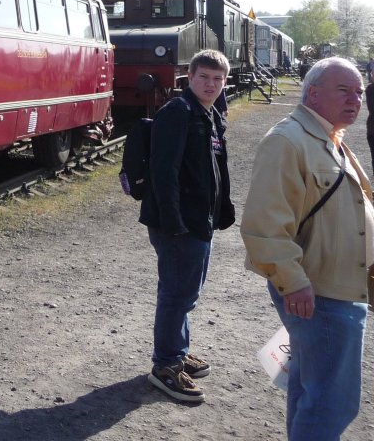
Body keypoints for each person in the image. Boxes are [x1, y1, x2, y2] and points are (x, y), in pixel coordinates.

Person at [240, 57, 372, 441]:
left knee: (310, 388)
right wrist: (292, 281)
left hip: (336, 285)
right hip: (320, 291)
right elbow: (264, 225)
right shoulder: (287, 140)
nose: (356, 99)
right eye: (344, 90)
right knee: (334, 400)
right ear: (313, 92)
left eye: (360, 92)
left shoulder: (328, 138)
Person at [140, 49, 236, 403]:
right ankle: (165, 366)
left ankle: (176, 351)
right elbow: (163, 172)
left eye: (218, 79)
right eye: (204, 77)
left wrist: (222, 209)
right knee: (177, 295)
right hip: (179, 222)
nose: (211, 84)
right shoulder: (177, 114)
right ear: (190, 78)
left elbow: (213, 168)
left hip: (199, 219)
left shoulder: (207, 114)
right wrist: (173, 222)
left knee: (184, 293)